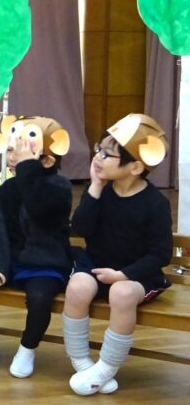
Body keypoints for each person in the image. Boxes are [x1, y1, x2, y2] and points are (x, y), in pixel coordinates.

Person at [64, 114, 172, 396]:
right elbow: (80, 228)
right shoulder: (100, 190)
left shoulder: (155, 203)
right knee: (77, 287)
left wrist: (123, 275)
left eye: (106, 154)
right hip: (98, 265)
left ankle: (105, 368)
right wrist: (95, 187)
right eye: (98, 149)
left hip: (137, 274)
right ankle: (82, 363)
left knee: (121, 293)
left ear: (135, 166)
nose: (97, 158)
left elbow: (161, 254)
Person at [0, 116, 72, 378]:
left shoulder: (60, 186)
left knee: (40, 297)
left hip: (45, 260)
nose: (12, 157)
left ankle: (27, 349)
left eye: (22, 153)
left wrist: (27, 169)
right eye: (10, 150)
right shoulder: (8, 187)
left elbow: (38, 207)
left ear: (47, 161)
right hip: (13, 259)